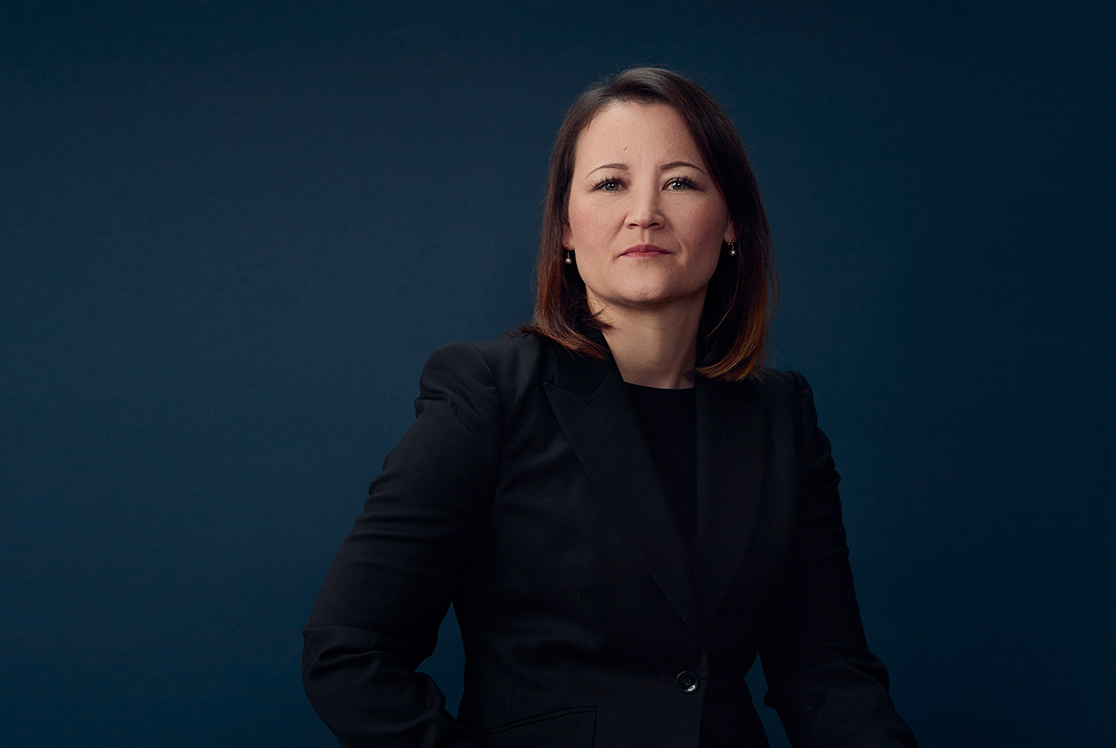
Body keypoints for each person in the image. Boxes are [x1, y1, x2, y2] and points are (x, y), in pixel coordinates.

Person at [299, 67, 918, 748]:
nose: (644, 212)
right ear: (565, 227)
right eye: (609, 184)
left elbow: (828, 674)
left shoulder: (780, 415)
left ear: (732, 223)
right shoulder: (489, 392)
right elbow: (348, 652)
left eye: (680, 183)